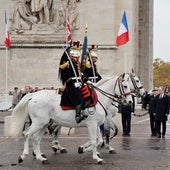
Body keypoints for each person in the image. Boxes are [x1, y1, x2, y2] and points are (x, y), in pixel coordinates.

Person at [58, 46, 85, 123]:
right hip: (71, 85)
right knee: (79, 98)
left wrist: (87, 80)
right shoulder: (68, 64)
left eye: (78, 58)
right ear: (72, 57)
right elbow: (65, 74)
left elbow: (80, 75)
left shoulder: (75, 65)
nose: (77, 59)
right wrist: (74, 82)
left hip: (78, 84)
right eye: (76, 58)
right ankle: (78, 116)